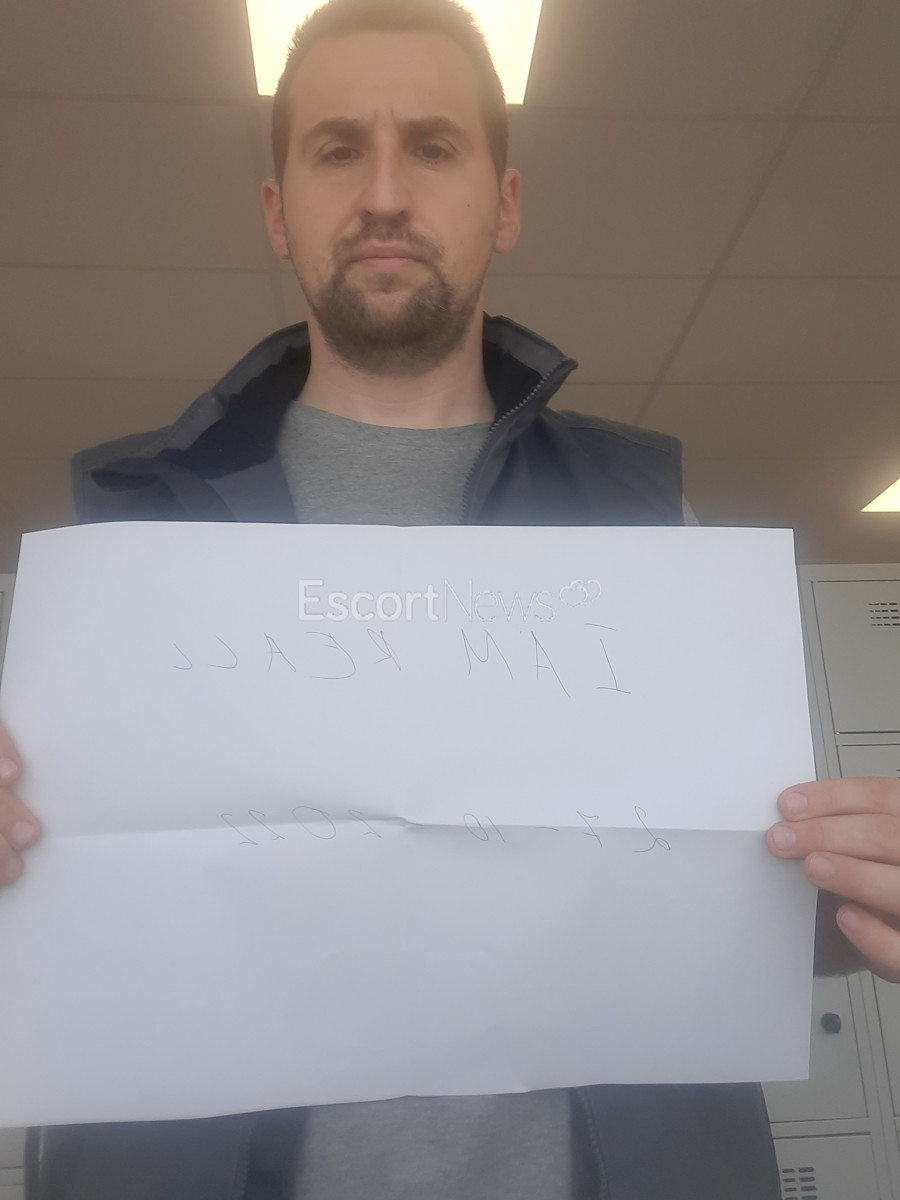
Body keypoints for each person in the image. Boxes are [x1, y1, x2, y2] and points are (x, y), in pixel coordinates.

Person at [0, 0, 898, 1196]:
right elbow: (65, 914)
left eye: (431, 146)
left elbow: (761, 896)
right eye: (336, 150)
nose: (384, 194)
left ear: (504, 204)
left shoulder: (652, 537)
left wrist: (864, 891)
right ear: (277, 211)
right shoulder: (121, 562)